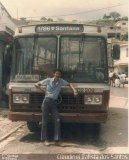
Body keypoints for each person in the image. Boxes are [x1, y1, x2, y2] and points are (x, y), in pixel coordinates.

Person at [35, 69, 78, 146]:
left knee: (57, 120)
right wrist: (44, 91)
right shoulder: (48, 80)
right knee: (44, 121)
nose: (57, 75)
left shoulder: (61, 81)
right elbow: (36, 84)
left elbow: (69, 84)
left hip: (54, 103)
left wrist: (74, 90)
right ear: (53, 74)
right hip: (46, 102)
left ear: (60, 76)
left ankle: (57, 140)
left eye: (59, 74)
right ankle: (44, 140)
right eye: (56, 74)